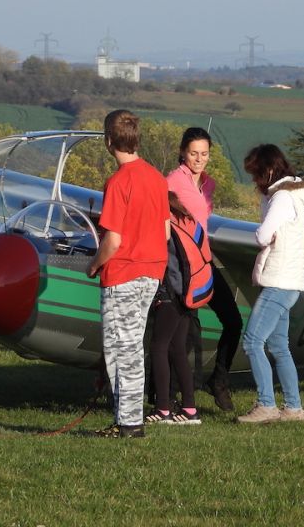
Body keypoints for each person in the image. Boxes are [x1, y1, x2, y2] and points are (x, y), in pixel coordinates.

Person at [87, 109, 170, 439]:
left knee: (120, 349)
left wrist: (95, 264)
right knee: (133, 344)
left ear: (108, 141)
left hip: (122, 273)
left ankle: (129, 422)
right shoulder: (156, 178)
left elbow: (113, 240)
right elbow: (165, 231)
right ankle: (129, 419)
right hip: (152, 272)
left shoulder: (119, 182)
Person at [166, 126, 242, 411]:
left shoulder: (208, 184)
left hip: (204, 264)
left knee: (233, 321)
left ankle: (219, 380)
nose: (199, 159)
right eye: (194, 153)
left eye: (204, 154)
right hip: (181, 266)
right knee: (183, 334)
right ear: (183, 153)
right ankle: (170, 397)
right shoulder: (172, 181)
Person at [237, 144, 304, 424]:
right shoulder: (292, 196)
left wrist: (263, 233)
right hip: (290, 281)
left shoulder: (281, 198)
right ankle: (293, 408)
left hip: (279, 280)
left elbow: (262, 235)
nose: (255, 181)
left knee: (252, 341)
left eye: (256, 175)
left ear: (269, 171)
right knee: (279, 345)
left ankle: (267, 404)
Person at [145, 193, 203, 426]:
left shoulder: (164, 222)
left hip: (170, 294)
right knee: (177, 349)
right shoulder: (187, 220)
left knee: (158, 347)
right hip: (189, 293)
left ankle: (163, 409)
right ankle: (189, 409)